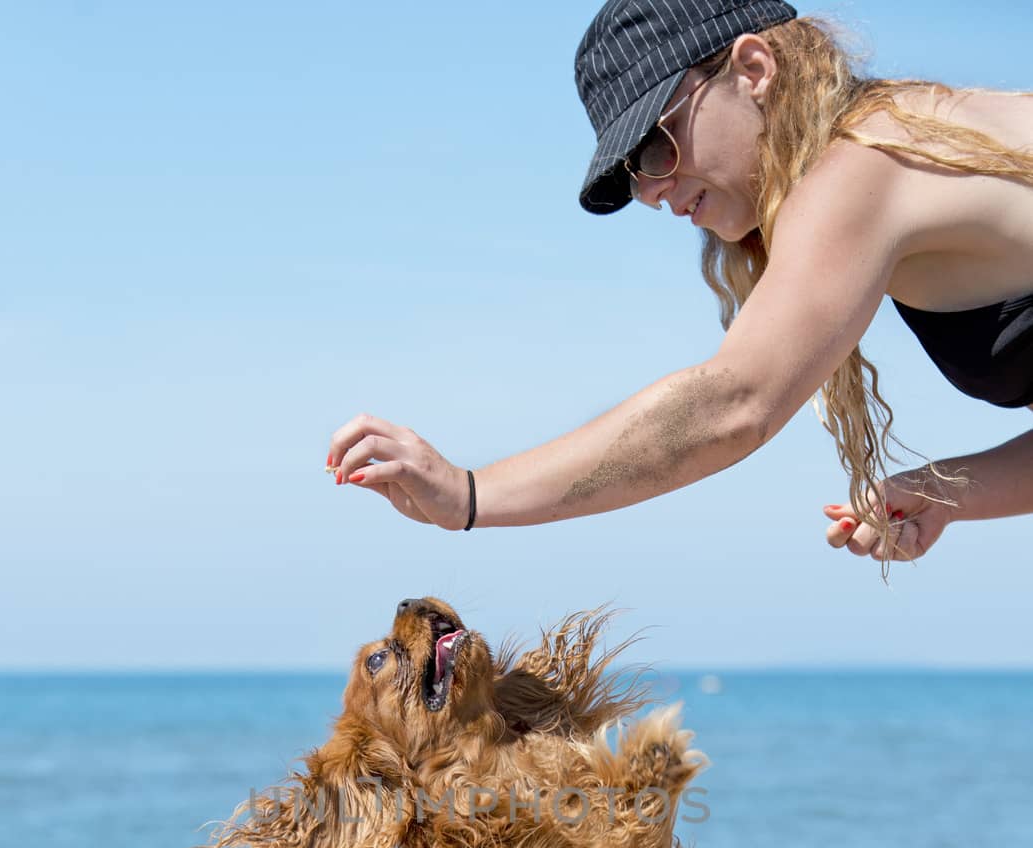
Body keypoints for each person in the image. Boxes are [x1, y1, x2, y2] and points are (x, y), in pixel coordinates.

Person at [326, 0, 1033, 565]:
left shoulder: (864, 163)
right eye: (632, 173)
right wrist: (946, 492)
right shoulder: (900, 146)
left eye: (657, 145)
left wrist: (469, 494)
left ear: (751, 68)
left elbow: (732, 404)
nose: (652, 191)